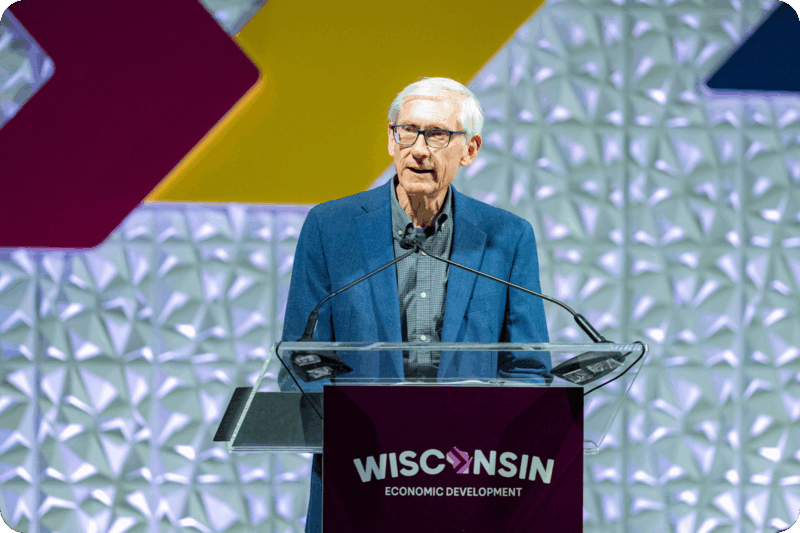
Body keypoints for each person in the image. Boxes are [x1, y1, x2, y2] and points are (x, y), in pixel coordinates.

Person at [279, 77, 551, 532]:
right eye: (408, 131)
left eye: (438, 135)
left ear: (470, 149)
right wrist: (372, 432)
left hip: (470, 482)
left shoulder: (507, 237)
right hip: (359, 481)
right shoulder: (330, 228)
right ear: (391, 139)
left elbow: (528, 368)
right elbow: (301, 362)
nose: (419, 149)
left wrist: (473, 437)